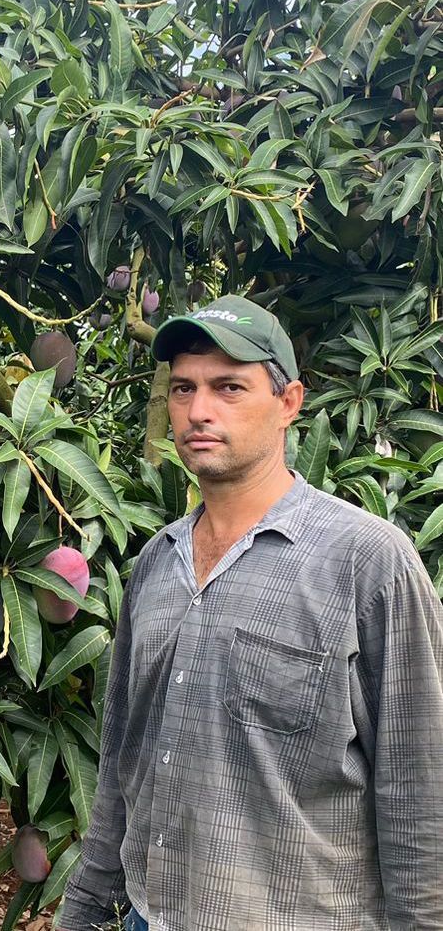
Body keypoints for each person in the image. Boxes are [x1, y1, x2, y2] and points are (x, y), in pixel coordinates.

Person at [56, 294, 443, 931]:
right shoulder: (156, 564)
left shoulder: (368, 562)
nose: (198, 411)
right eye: (183, 388)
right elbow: (123, 768)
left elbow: (420, 795)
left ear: (288, 402)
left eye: (229, 387)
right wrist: (83, 910)